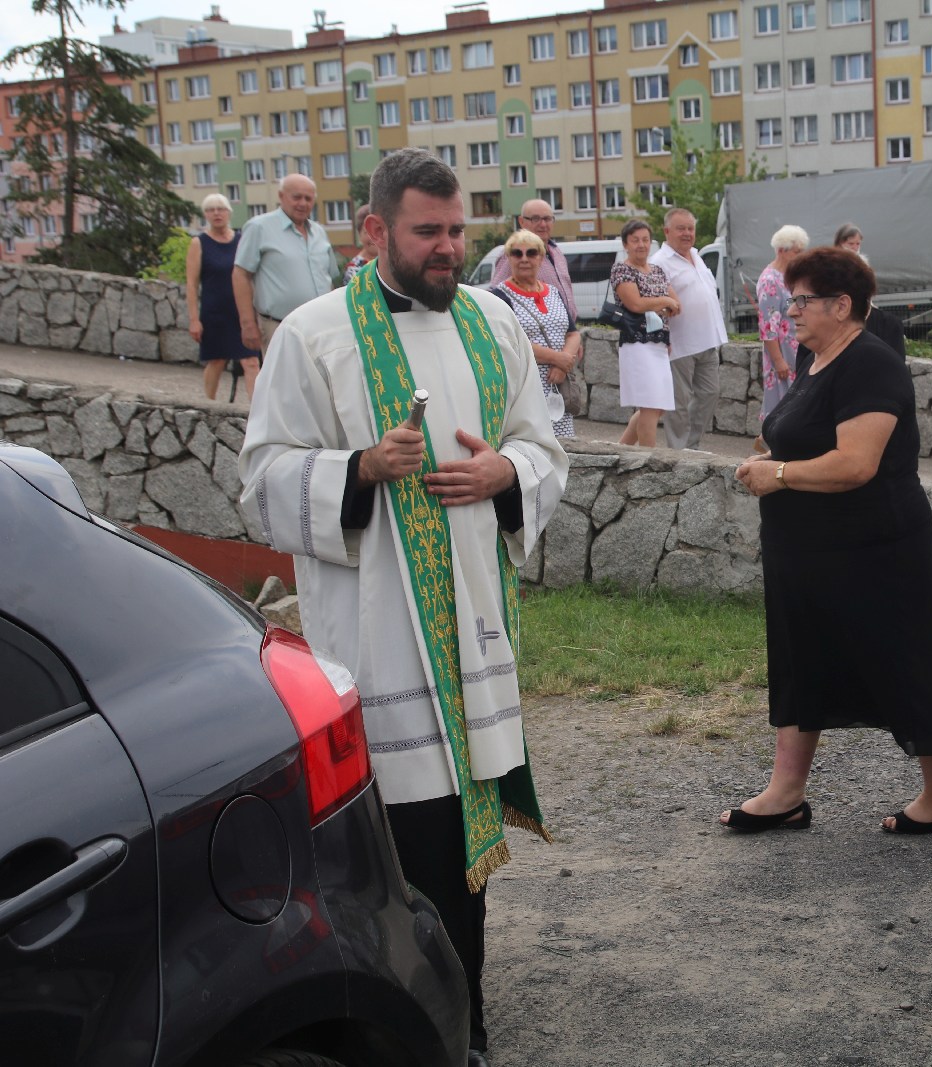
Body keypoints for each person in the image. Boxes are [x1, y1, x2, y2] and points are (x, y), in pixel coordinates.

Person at [237, 147, 570, 1067]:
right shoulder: (314, 336)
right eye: (429, 232)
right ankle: (387, 1025)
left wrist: (505, 472)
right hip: (378, 643)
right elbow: (262, 480)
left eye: (458, 230)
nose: (449, 248)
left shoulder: (493, 322)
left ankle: (464, 1028)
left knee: (457, 857)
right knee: (391, 852)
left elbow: (542, 446)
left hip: (472, 637)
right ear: (375, 229)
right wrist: (359, 469)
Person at [728, 248, 932, 836]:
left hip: (875, 550)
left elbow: (857, 463)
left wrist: (780, 474)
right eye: (790, 299)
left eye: (802, 300)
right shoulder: (813, 358)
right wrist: (770, 456)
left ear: (841, 305)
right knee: (800, 659)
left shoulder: (871, 363)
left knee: (902, 662)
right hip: (809, 552)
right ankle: (786, 793)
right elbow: (805, 435)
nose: (790, 311)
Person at [232, 173, 341, 357]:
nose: (303, 203)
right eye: (296, 197)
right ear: (281, 196)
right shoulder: (259, 227)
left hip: (320, 327)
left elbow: (329, 279)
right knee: (283, 376)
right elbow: (240, 275)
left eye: (308, 198)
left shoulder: (319, 232)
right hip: (280, 326)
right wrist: (247, 323)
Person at [489, 229, 581, 438]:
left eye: (531, 253)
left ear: (540, 258)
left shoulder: (553, 292)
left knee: (563, 445)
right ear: (508, 258)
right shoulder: (499, 297)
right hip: (525, 386)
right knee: (530, 442)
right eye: (517, 253)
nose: (524, 259)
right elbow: (509, 341)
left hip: (557, 387)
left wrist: (562, 364)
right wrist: (556, 358)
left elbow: (573, 333)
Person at [650, 207, 726, 449]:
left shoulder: (696, 255)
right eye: (680, 228)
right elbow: (654, 306)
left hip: (707, 339)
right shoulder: (659, 262)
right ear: (667, 231)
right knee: (679, 402)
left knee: (710, 393)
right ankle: (678, 451)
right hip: (679, 342)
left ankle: (690, 446)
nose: (687, 233)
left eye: (690, 228)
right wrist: (661, 337)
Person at [611, 219, 679, 448]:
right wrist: (663, 301)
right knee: (649, 404)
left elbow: (677, 306)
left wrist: (662, 303)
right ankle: (648, 457)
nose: (641, 245)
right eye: (635, 240)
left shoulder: (657, 270)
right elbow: (635, 304)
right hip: (637, 343)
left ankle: (621, 449)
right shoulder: (622, 269)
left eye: (645, 240)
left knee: (657, 406)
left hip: (659, 343)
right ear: (625, 244)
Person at [185, 192, 255, 399]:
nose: (216, 214)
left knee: (251, 361)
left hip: (241, 311)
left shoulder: (242, 241)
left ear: (229, 213)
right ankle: (208, 404)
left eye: (221, 209)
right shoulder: (199, 243)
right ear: (205, 214)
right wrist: (194, 320)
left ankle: (256, 410)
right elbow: (191, 284)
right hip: (214, 313)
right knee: (217, 360)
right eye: (211, 210)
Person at [487, 199, 577, 323]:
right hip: (531, 330)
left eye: (547, 219)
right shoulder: (515, 254)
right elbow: (494, 298)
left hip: (563, 327)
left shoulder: (557, 252)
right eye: (536, 219)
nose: (543, 224)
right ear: (521, 222)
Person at [757, 225, 808, 419]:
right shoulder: (770, 280)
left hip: (796, 351)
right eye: (796, 252)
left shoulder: (790, 277)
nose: (801, 257)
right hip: (783, 355)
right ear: (781, 250)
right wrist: (778, 361)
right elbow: (768, 326)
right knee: (782, 407)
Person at [833, 224, 905, 357]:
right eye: (851, 244)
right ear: (840, 243)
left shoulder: (862, 263)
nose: (855, 248)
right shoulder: (832, 264)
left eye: (857, 244)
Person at [343, 203, 378, 282]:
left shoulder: (394, 263)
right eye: (367, 232)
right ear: (359, 234)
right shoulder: (353, 270)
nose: (374, 237)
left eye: (378, 230)